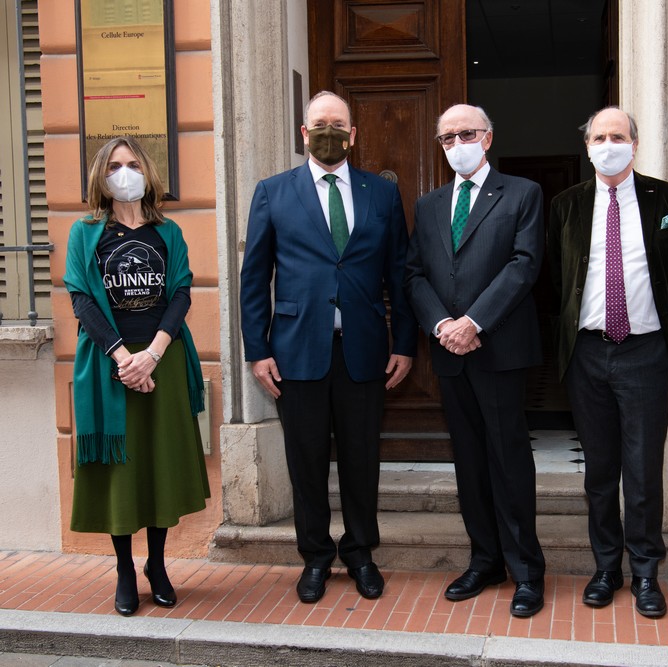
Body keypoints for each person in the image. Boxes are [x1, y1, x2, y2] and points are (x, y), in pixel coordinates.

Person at [240, 91, 417, 604]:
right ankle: (315, 556)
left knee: (363, 461)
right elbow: (255, 277)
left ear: (353, 134)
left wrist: (404, 342)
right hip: (295, 352)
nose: (329, 132)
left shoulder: (381, 194)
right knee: (307, 462)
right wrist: (258, 349)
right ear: (304, 133)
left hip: (364, 350)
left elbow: (399, 275)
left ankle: (361, 552)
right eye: (320, 124)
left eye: (339, 124)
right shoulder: (273, 192)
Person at [548, 107, 668, 618]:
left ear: (635, 143)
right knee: (600, 470)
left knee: (642, 468)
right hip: (587, 352)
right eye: (599, 136)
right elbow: (554, 280)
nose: (608, 143)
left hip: (643, 351)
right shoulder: (566, 205)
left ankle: (647, 573)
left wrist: (650, 321)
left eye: (618, 135)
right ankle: (606, 567)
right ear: (586, 145)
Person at [404, 104, 547, 618]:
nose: (457, 143)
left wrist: (474, 322)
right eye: (446, 138)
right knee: (469, 463)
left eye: (466, 133)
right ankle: (485, 560)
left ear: (487, 138)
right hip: (450, 354)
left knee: (509, 462)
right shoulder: (430, 203)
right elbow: (415, 274)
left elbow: (524, 265)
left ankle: (527, 570)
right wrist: (443, 325)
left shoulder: (522, 194)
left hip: (500, 350)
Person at [64, 136, 210, 617]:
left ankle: (158, 565)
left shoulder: (168, 233)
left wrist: (152, 355)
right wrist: (124, 358)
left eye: (131, 164)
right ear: (100, 177)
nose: (123, 173)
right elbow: (81, 300)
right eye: (114, 166)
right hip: (110, 369)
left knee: (159, 465)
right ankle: (126, 570)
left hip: (163, 363)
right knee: (123, 474)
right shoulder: (84, 234)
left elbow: (181, 294)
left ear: (147, 172)